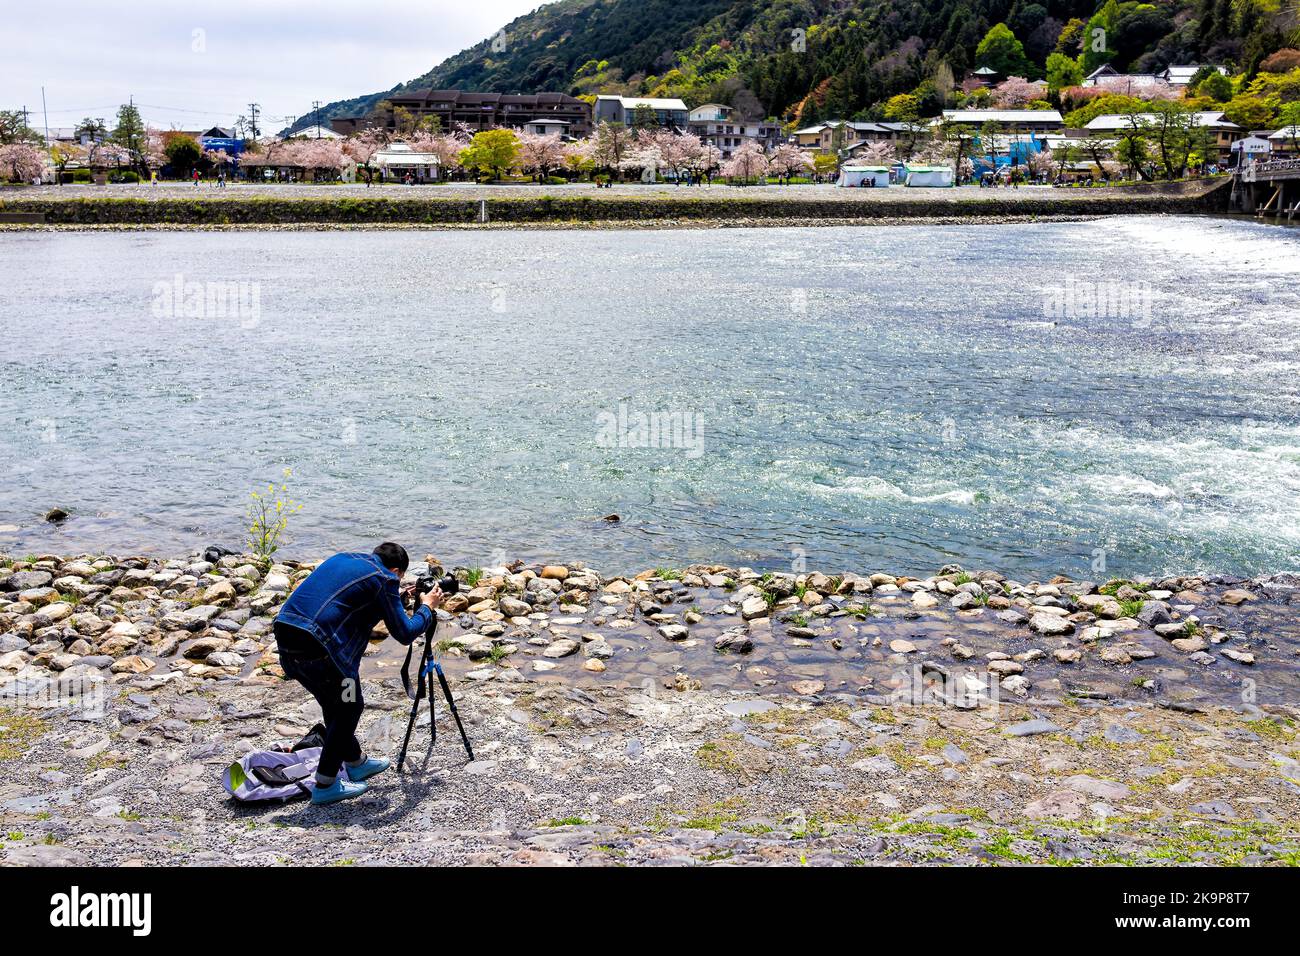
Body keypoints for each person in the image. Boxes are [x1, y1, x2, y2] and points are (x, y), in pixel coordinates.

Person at [273, 543, 444, 805]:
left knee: (336, 704)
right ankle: (326, 785)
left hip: (288, 638)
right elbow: (405, 633)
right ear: (397, 570)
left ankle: (355, 763)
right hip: (321, 650)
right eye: (399, 577)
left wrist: (395, 599)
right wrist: (427, 608)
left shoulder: (345, 558)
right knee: (350, 706)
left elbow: (345, 601)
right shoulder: (385, 579)